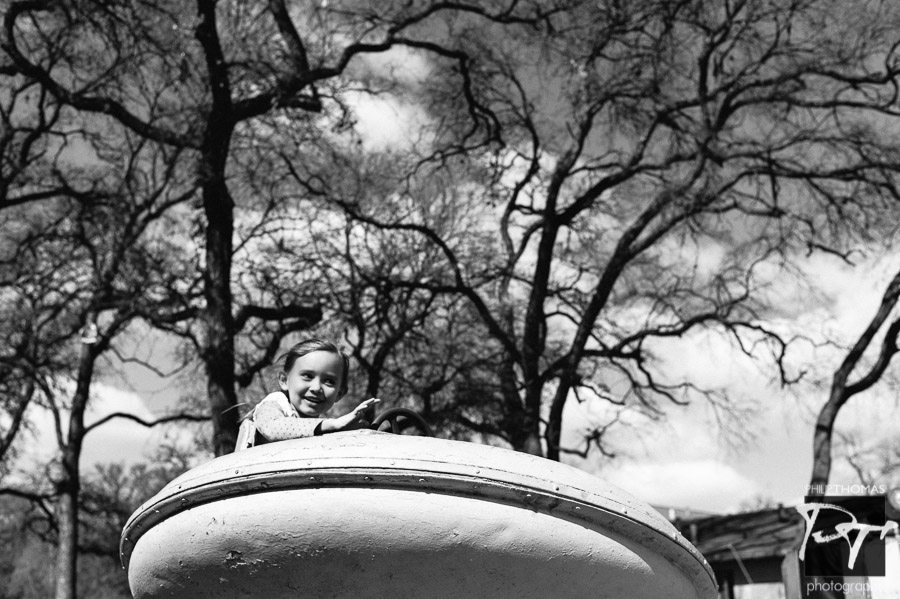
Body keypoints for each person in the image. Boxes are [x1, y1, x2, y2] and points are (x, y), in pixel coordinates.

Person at [235, 339, 379, 450]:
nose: (316, 388)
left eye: (329, 381)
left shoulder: (321, 429)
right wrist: (332, 425)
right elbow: (272, 427)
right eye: (307, 376)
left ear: (339, 393)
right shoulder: (275, 403)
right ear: (284, 380)